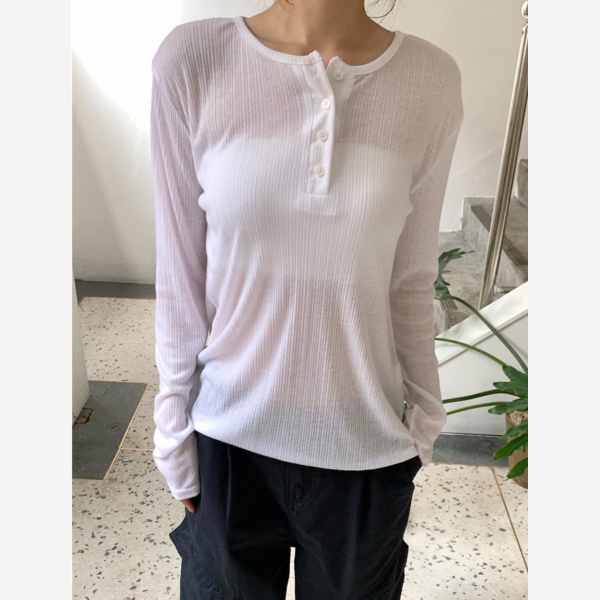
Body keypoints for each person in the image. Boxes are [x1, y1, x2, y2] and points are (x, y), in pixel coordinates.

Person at [150, 0, 463, 597]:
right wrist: (173, 426)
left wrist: (424, 423)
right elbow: (179, 271)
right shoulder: (193, 59)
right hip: (230, 442)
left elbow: (410, 278)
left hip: (365, 445)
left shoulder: (430, 79)